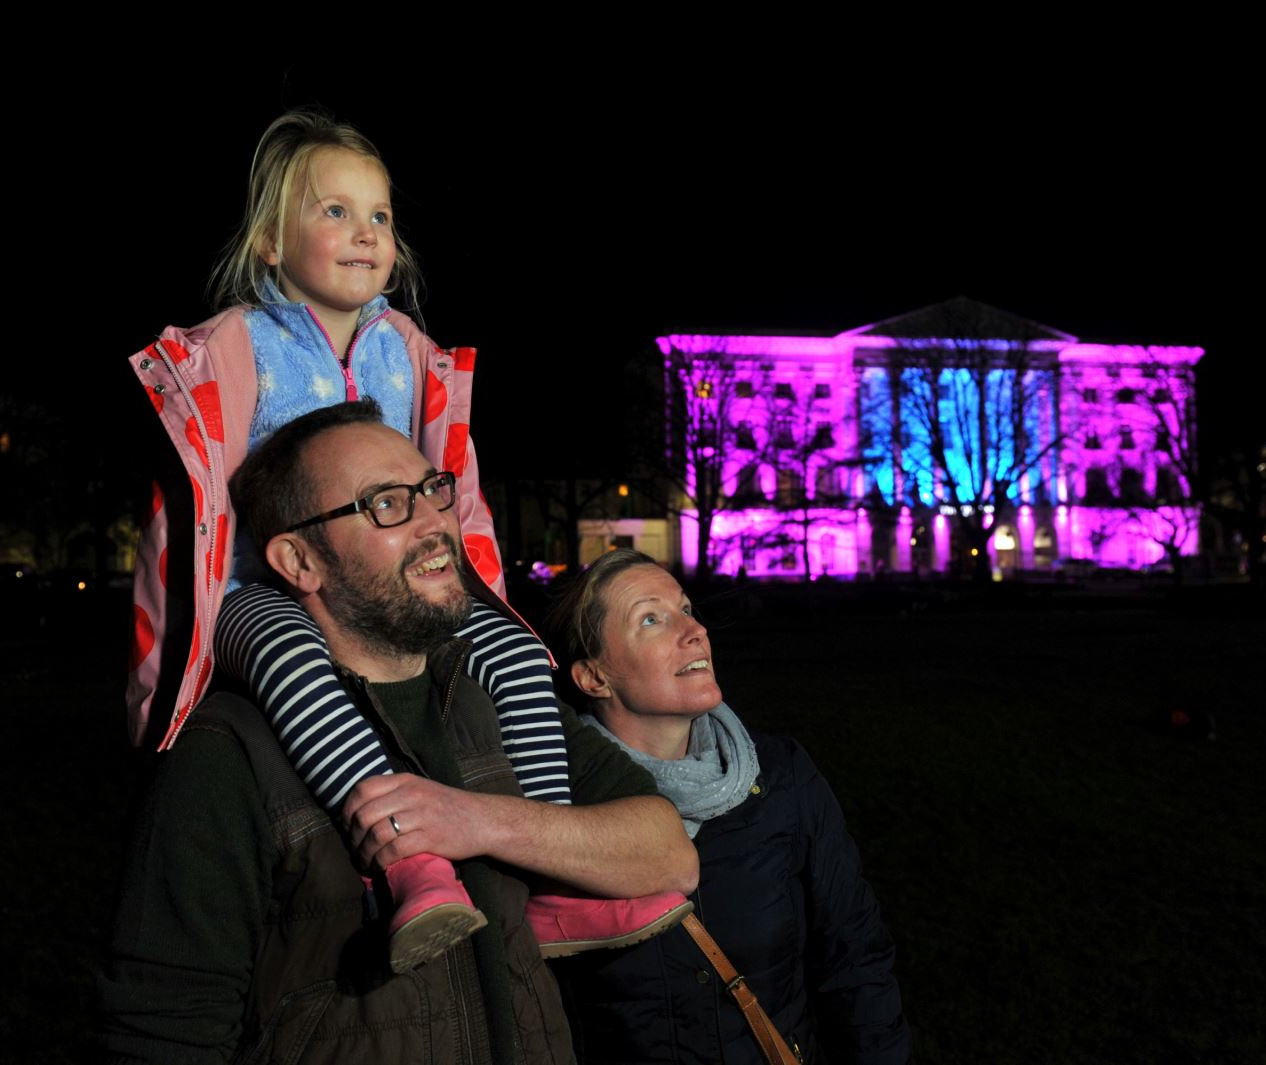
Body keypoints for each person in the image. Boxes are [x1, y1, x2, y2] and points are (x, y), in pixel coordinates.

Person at [125, 110, 685, 971]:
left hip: (387, 580)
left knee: (512, 647)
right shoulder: (239, 347)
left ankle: (552, 880)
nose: (365, 234)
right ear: (271, 243)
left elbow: (449, 492)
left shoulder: (409, 353)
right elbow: (194, 509)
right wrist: (170, 672)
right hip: (258, 587)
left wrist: (473, 589)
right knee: (289, 654)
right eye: (335, 212)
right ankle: (411, 862)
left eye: (380, 216)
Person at [99, 403, 699, 1064]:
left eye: (432, 490)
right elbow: (162, 1032)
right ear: (299, 559)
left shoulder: (496, 702)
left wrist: (481, 822)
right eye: (385, 503)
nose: (434, 522)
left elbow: (669, 855)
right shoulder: (226, 754)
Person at [545, 549, 913, 1065]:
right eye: (651, 619)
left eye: (687, 609)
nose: (694, 631)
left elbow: (855, 961)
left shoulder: (782, 776)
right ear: (594, 678)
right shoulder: (557, 811)